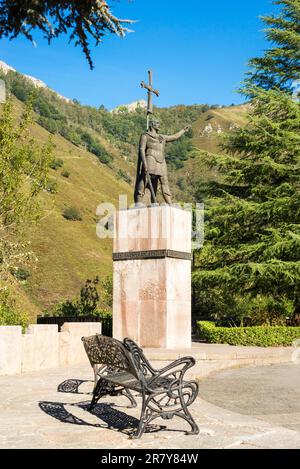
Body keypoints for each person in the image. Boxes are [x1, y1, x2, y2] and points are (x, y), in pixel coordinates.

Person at [134, 118, 191, 205]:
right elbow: (141, 149)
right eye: (157, 123)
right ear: (152, 125)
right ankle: (139, 200)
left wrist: (183, 130)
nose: (158, 125)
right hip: (150, 157)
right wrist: (144, 163)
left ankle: (169, 202)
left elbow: (174, 137)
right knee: (145, 178)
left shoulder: (162, 137)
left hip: (161, 160)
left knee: (164, 180)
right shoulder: (145, 136)